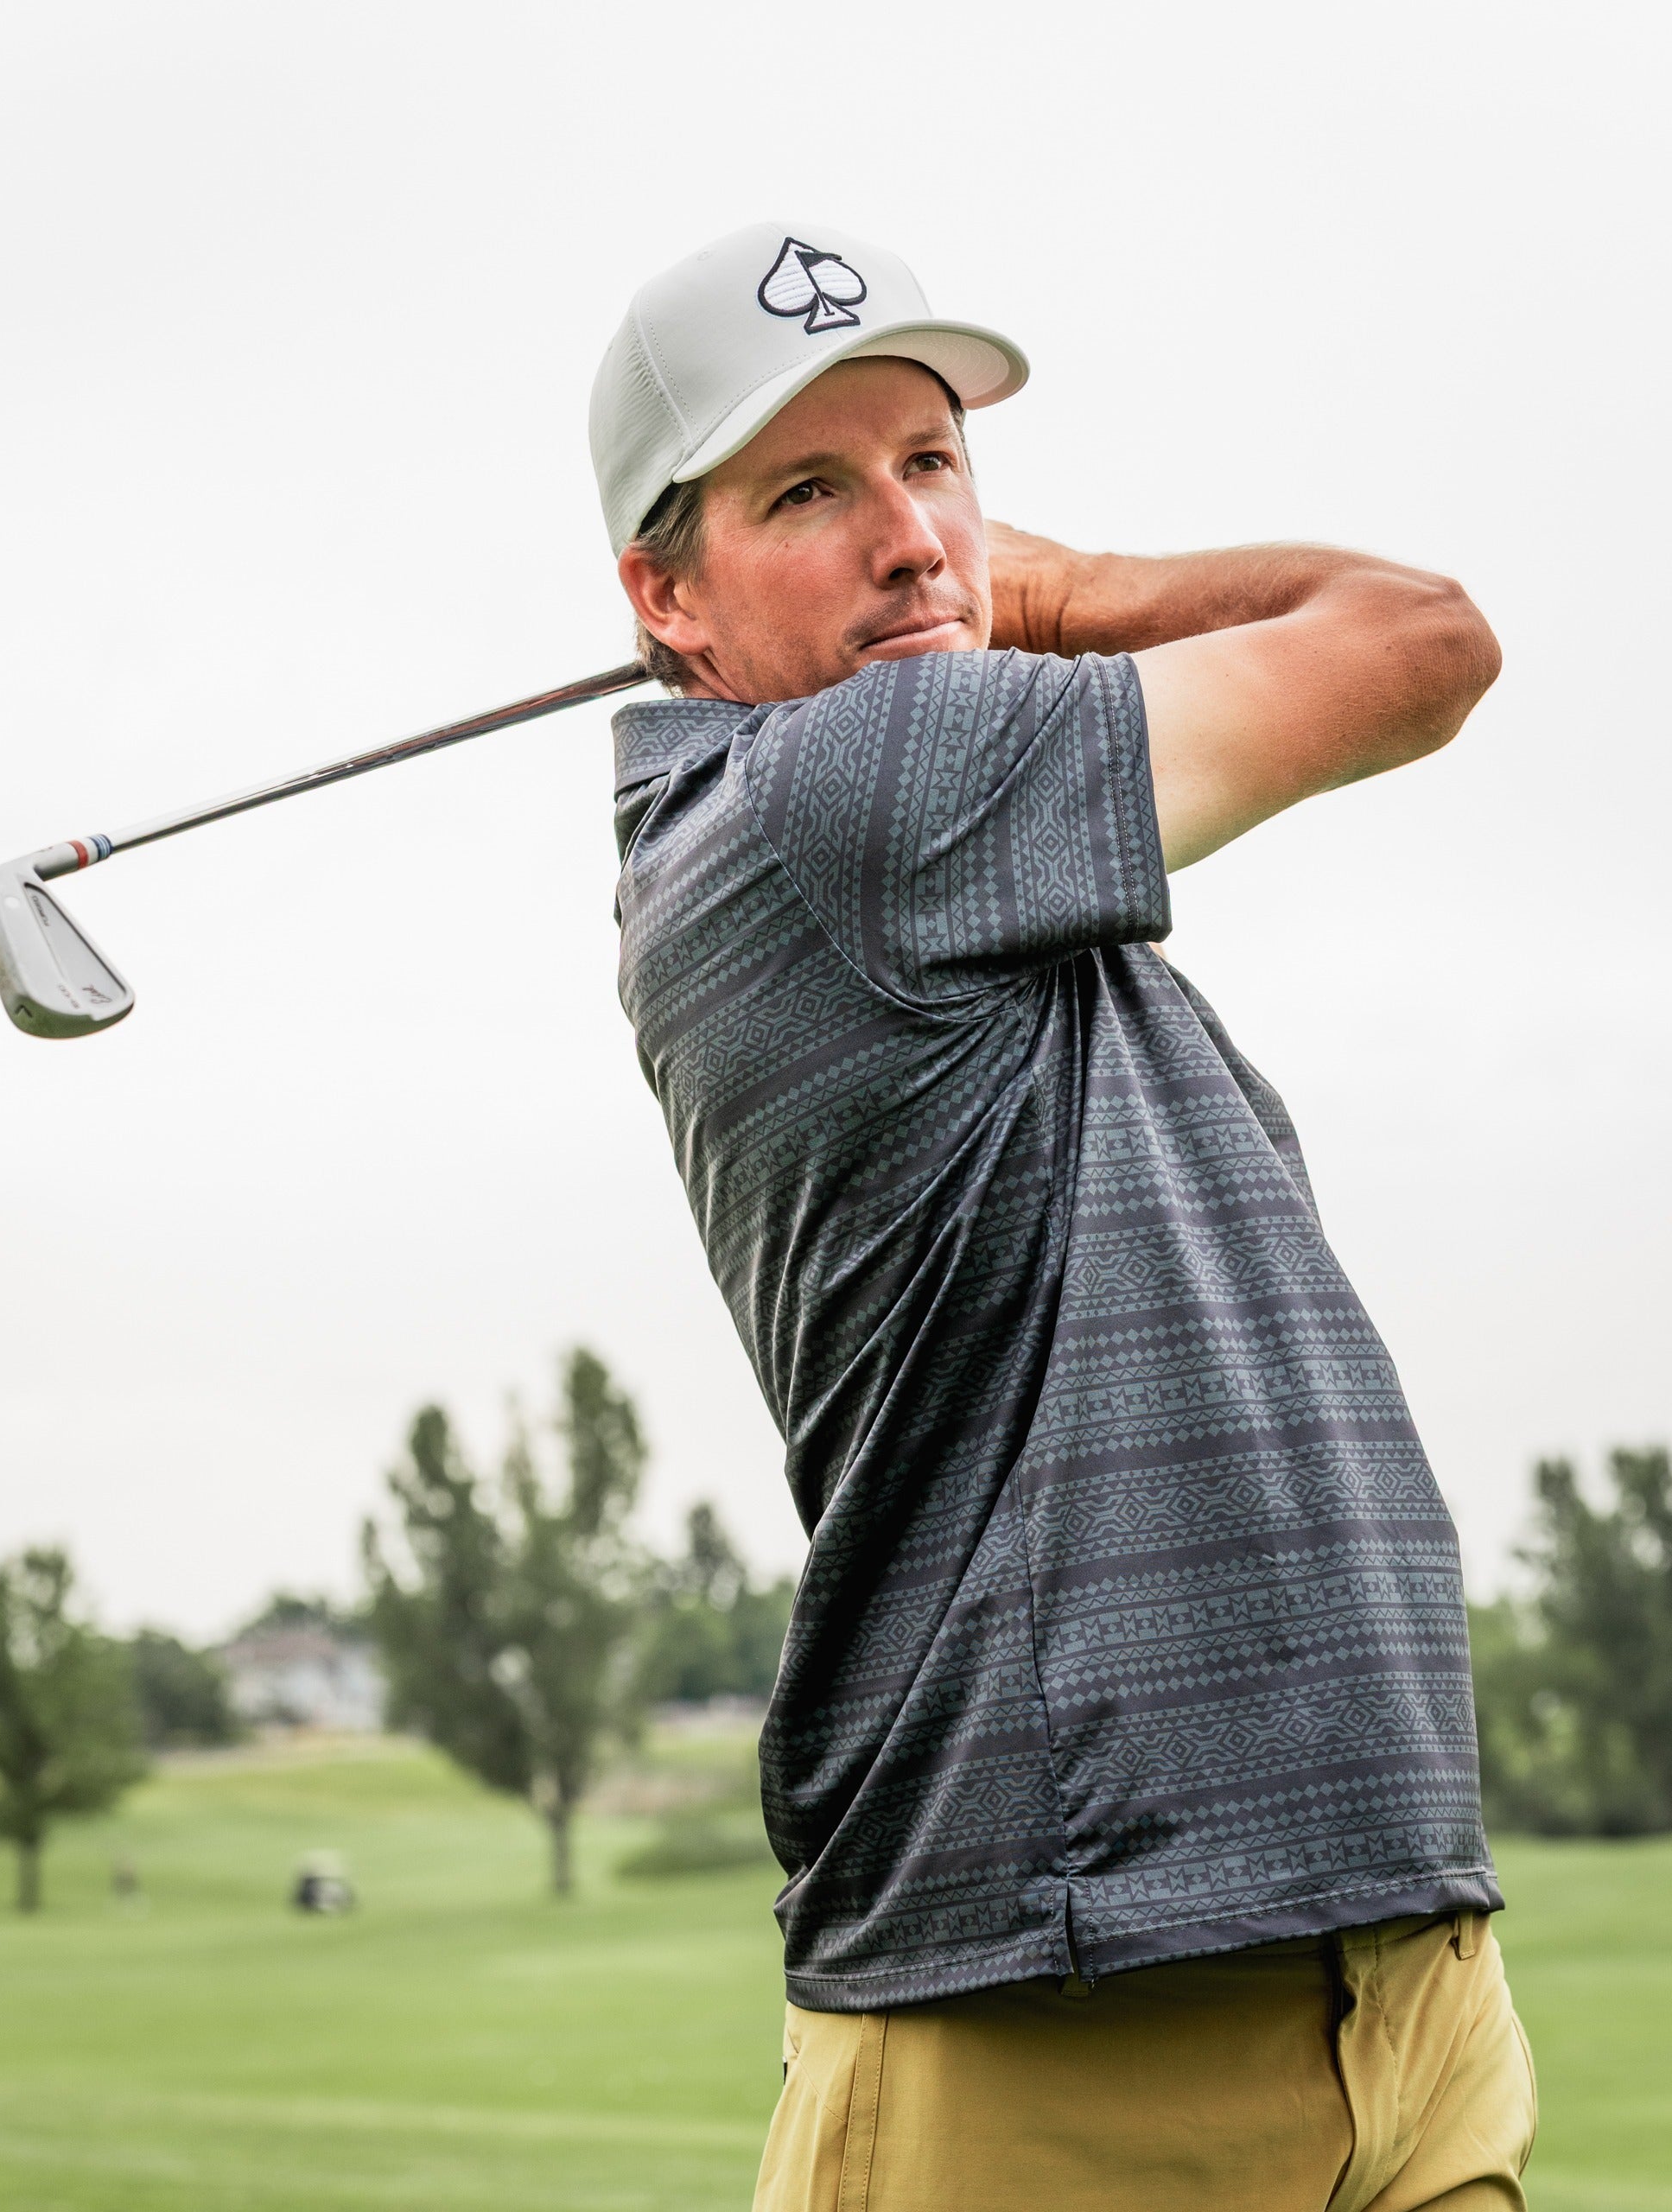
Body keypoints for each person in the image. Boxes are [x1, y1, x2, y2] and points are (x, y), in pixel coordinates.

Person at [589, 224, 1532, 2210]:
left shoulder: (919, 831)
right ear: (663, 598)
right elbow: (1421, 639)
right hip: (1058, 2002)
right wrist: (1080, 595)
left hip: (1389, 1961)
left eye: (934, 463)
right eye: (810, 489)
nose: (916, 537)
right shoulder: (846, 793)